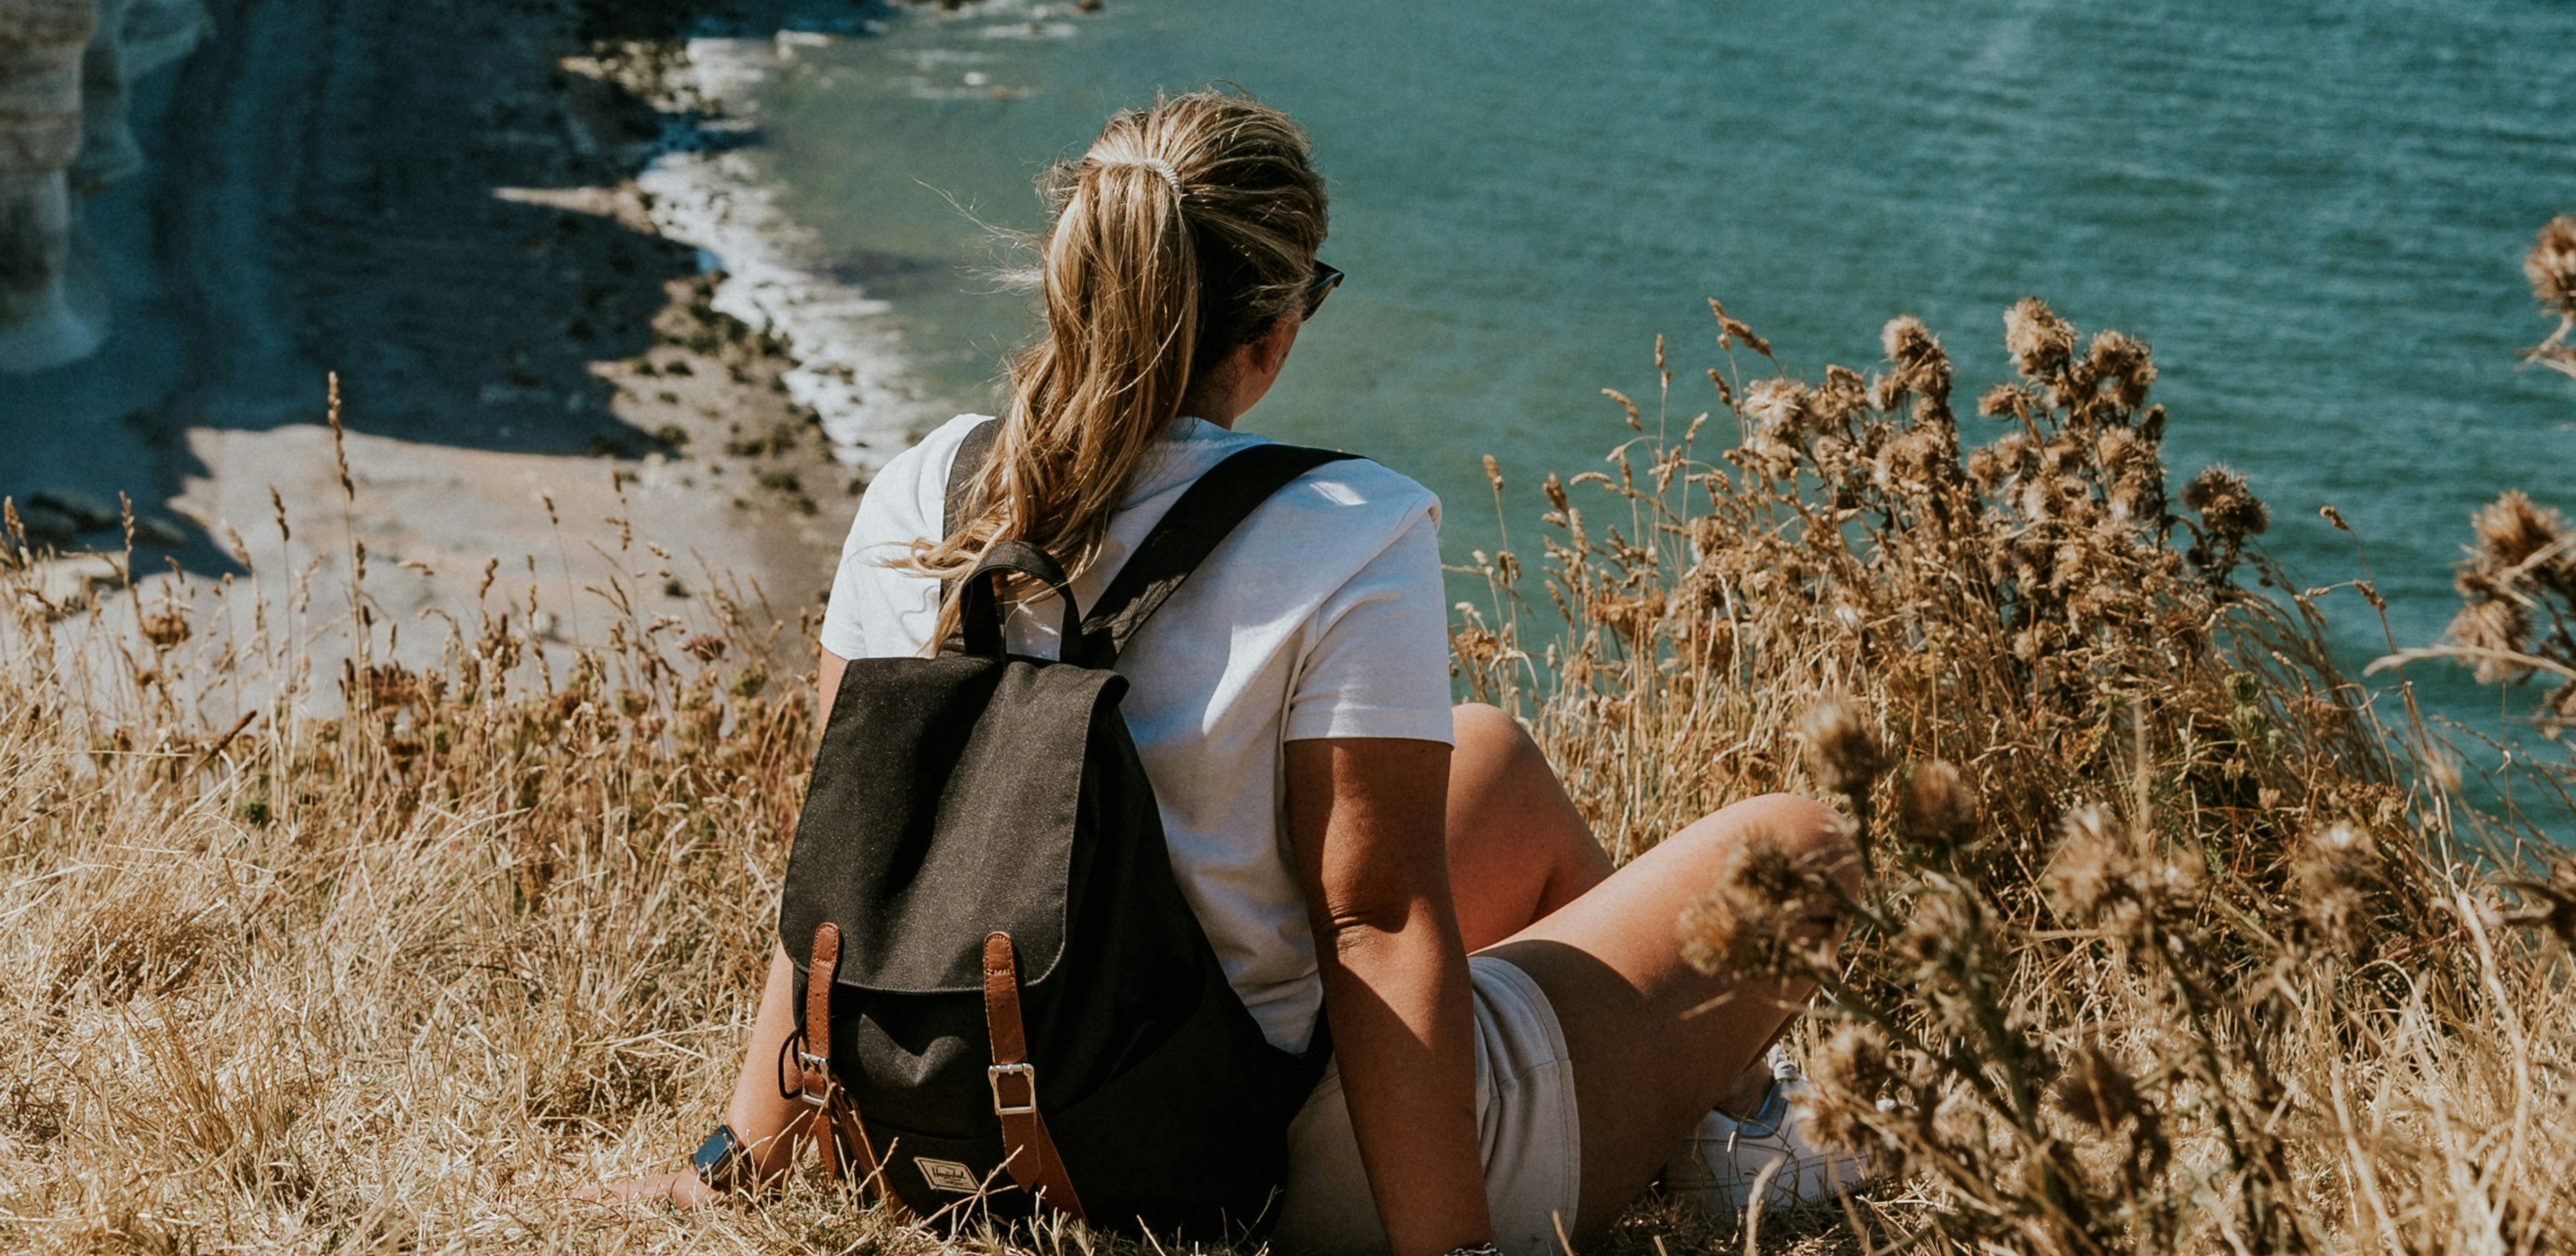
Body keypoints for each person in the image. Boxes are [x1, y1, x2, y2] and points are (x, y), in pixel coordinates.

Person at [621, 92, 1854, 1252]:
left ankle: (1719, 1123)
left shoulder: (925, 485)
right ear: (1271, 333)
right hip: (1230, 1167)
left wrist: (745, 1149)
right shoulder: (1343, 527)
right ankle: (1731, 1139)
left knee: (1487, 751)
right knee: (1804, 844)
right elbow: (1374, 924)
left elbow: (843, 852)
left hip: (942, 1113)